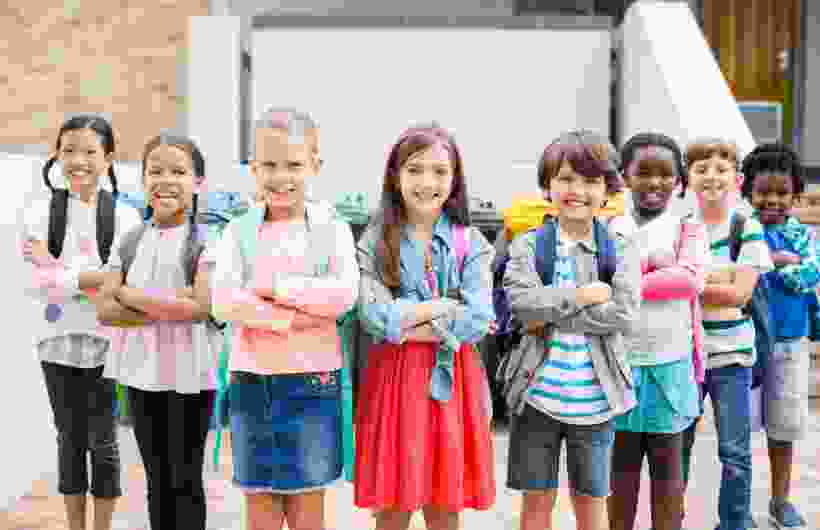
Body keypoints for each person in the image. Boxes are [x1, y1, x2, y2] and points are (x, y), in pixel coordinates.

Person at [210, 107, 359, 530]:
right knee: (260, 502)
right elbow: (224, 301)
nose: (280, 177)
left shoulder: (332, 228)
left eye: (293, 165)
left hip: (313, 381)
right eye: (269, 165)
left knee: (308, 503)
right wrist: (299, 318)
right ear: (253, 168)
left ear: (315, 165)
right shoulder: (237, 231)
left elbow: (343, 294)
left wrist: (271, 287)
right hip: (251, 382)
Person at [354, 122, 496, 530]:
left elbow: (478, 318)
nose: (426, 182)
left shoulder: (471, 242)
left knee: (444, 502)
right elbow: (372, 314)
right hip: (394, 380)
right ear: (395, 176)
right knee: (392, 503)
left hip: (453, 380)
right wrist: (440, 307)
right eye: (414, 170)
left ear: (455, 178)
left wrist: (403, 322)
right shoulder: (376, 240)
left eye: (439, 171)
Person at [503, 130, 640, 530]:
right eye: (565, 178)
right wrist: (582, 296)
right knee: (535, 503)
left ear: (607, 190)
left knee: (591, 504)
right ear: (547, 186)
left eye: (590, 180)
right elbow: (521, 305)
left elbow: (623, 314)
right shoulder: (529, 245)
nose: (576, 190)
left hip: (596, 401)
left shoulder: (619, 248)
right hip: (535, 396)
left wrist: (550, 311)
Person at [21, 115, 141, 530]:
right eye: (69, 150)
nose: (78, 160)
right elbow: (35, 283)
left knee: (103, 440)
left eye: (90, 151)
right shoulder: (39, 212)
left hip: (108, 343)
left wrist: (61, 274)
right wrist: (90, 279)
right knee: (68, 438)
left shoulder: (125, 218)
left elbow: (121, 285)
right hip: (55, 341)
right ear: (56, 155)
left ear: (108, 158)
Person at [98, 134, 219, 530]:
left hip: (191, 375)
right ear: (143, 179)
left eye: (178, 172)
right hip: (141, 373)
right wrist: (171, 304)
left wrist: (131, 295)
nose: (165, 180)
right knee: (157, 478)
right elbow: (105, 309)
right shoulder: (131, 239)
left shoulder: (207, 241)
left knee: (185, 477)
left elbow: (200, 308)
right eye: (155, 171)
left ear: (198, 182)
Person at [607, 132, 707, 530]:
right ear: (624, 176)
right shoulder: (609, 227)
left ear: (679, 180)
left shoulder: (687, 228)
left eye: (666, 174)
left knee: (668, 475)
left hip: (670, 367)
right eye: (643, 172)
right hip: (618, 367)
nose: (655, 182)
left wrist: (631, 278)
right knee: (619, 475)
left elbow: (689, 281)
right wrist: (656, 268)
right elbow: (601, 282)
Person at [683, 137, 773, 530]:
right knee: (675, 448)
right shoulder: (682, 228)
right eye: (701, 169)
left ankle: (734, 522)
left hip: (732, 356)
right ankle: (670, 519)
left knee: (734, 452)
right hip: (684, 356)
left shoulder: (745, 227)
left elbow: (740, 294)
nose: (711, 176)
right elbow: (666, 287)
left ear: (737, 179)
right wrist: (718, 278)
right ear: (688, 178)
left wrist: (692, 282)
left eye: (721, 169)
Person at [740, 143, 818, 529]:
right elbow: (732, 270)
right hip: (743, 341)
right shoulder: (741, 231)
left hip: (789, 341)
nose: (772, 200)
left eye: (782, 192)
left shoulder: (802, 235)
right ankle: (736, 507)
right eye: (763, 192)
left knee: (783, 428)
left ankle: (780, 501)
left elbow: (810, 274)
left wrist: (766, 267)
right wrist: (777, 261)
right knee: (738, 432)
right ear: (747, 191)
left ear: (795, 194)